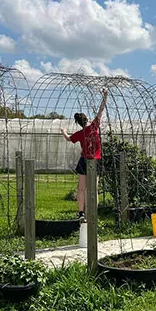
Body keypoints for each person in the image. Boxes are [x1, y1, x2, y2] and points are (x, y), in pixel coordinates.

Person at [61, 90, 108, 220]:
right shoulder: (94, 127)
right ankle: (93, 213)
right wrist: (105, 97)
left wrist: (63, 131)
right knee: (94, 188)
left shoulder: (79, 133)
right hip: (95, 160)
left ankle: (81, 213)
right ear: (87, 119)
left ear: (78, 123)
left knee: (81, 188)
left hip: (84, 160)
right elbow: (101, 111)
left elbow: (69, 138)